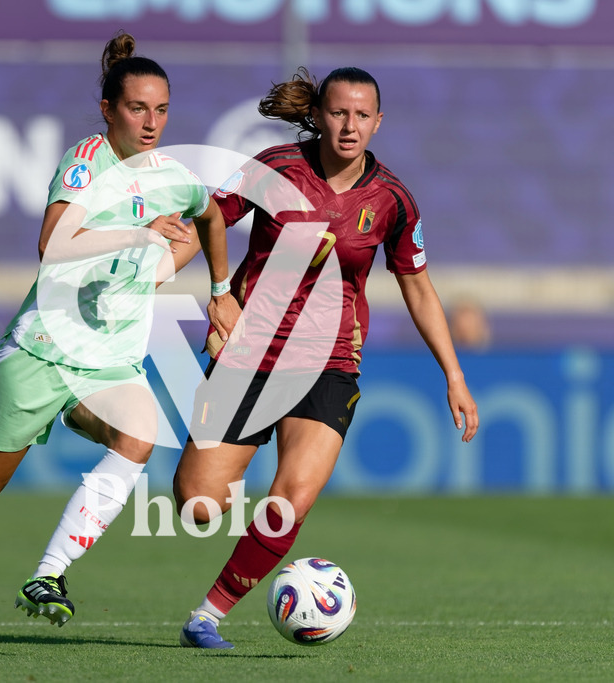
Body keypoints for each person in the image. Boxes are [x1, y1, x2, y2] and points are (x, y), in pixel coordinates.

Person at [0, 31, 239, 652]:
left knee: (139, 437)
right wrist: (143, 232)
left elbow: (211, 214)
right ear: (109, 109)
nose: (151, 122)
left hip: (109, 365)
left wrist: (220, 287)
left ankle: (47, 576)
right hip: (41, 352)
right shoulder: (87, 161)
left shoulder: (173, 176)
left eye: (162, 109)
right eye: (136, 108)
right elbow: (52, 243)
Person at [174, 67, 480, 649]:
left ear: (378, 122)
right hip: (249, 356)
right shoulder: (277, 169)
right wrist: (175, 272)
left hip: (330, 359)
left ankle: (207, 616)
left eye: (362, 115)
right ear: (317, 114)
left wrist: (455, 374)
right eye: (339, 112)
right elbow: (207, 221)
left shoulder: (392, 200)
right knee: (198, 504)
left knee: (291, 499)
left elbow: (417, 285)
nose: (349, 125)